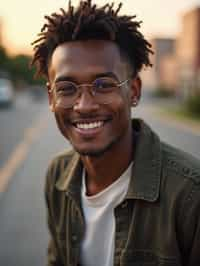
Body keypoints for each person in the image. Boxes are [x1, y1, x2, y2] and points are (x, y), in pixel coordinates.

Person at [31, 1, 200, 265]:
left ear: (133, 91)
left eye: (103, 85)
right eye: (66, 88)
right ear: (51, 97)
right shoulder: (57, 175)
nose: (85, 105)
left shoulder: (190, 194)